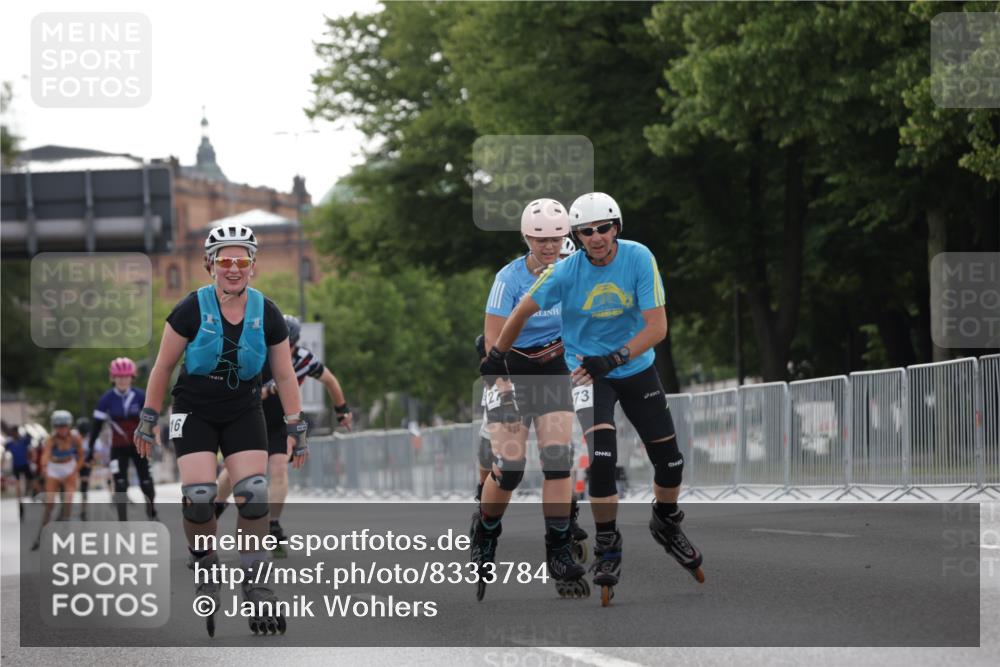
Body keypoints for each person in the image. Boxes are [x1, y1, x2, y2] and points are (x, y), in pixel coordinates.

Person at [480, 192, 704, 606]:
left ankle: (662, 522)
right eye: (587, 232)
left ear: (616, 228)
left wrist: (616, 357)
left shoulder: (637, 258)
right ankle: (595, 544)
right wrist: (495, 360)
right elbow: (515, 317)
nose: (596, 237)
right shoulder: (545, 274)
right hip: (564, 371)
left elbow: (657, 327)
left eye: (603, 229)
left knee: (668, 463)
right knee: (568, 462)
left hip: (610, 367)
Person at [133, 223, 306, 636]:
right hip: (194, 408)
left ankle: (257, 584)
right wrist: (148, 416)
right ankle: (206, 563)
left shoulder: (268, 312)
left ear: (253, 266)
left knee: (253, 496)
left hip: (243, 408)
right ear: (210, 265)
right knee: (199, 498)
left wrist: (296, 425)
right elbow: (163, 367)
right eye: (225, 260)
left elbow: (284, 375)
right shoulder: (190, 309)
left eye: (241, 260)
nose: (233, 268)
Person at [472, 198, 587, 601]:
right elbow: (492, 343)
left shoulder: (576, 272)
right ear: (526, 238)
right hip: (512, 371)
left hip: (552, 370)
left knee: (558, 461)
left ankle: (557, 550)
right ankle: (485, 530)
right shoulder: (509, 278)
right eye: (540, 239)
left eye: (556, 238)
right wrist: (502, 391)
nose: (549, 246)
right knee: (512, 468)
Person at [214, 313, 352, 558]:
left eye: (288, 345)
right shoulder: (257, 354)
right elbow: (234, 385)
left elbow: (330, 381)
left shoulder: (303, 359)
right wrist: (263, 391)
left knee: (279, 469)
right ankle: (213, 511)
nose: (283, 349)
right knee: (234, 471)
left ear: (296, 344)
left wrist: (342, 410)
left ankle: (273, 525)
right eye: (278, 343)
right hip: (250, 417)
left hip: (280, 422)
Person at [84, 358, 157, 521]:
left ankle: (152, 511)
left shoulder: (140, 395)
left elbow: (150, 421)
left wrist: (152, 439)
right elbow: (96, 426)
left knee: (146, 482)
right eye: (119, 377)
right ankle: (122, 519)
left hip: (139, 445)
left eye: (126, 377)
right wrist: (90, 449)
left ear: (132, 377)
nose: (123, 380)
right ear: (113, 378)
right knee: (121, 484)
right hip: (118, 447)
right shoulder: (106, 399)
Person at [31, 410, 85, 550]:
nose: (61, 429)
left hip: (69, 468)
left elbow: (81, 455)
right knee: (50, 504)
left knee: (68, 500)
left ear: (69, 426)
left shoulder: (75, 437)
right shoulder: (51, 439)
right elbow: (46, 454)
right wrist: (44, 466)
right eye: (58, 426)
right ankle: (40, 535)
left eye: (64, 426)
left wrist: (75, 469)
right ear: (54, 427)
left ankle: (65, 536)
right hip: (54, 468)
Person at [4, 424, 34, 522]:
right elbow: (4, 454)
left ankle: (30, 493)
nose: (14, 435)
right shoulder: (10, 443)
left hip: (25, 465)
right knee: (18, 487)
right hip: (16, 467)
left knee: (31, 482)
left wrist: (27, 431)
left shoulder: (23, 441)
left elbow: (31, 439)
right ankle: (20, 505)